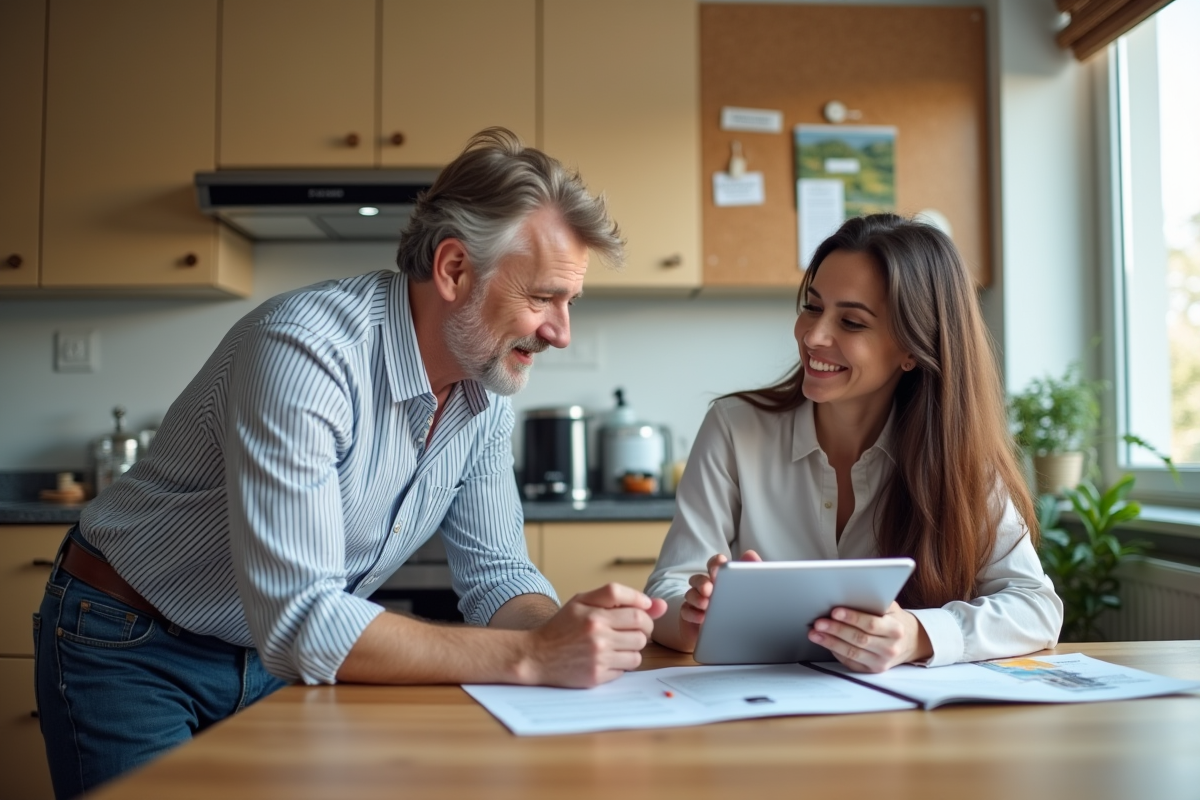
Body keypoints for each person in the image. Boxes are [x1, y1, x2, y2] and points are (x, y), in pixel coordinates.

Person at [34, 127, 667, 799]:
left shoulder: (482, 393)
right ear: (454, 269)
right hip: (131, 644)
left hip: (273, 661)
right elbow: (304, 620)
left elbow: (499, 576)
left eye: (570, 302)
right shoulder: (305, 352)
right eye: (543, 297)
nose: (560, 332)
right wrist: (534, 657)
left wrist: (572, 634)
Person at [646, 214, 1062, 672]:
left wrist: (917, 636)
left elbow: (1036, 606)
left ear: (912, 348)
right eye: (811, 306)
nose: (813, 335)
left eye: (851, 322)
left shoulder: (958, 454)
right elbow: (668, 586)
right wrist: (693, 619)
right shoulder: (734, 428)